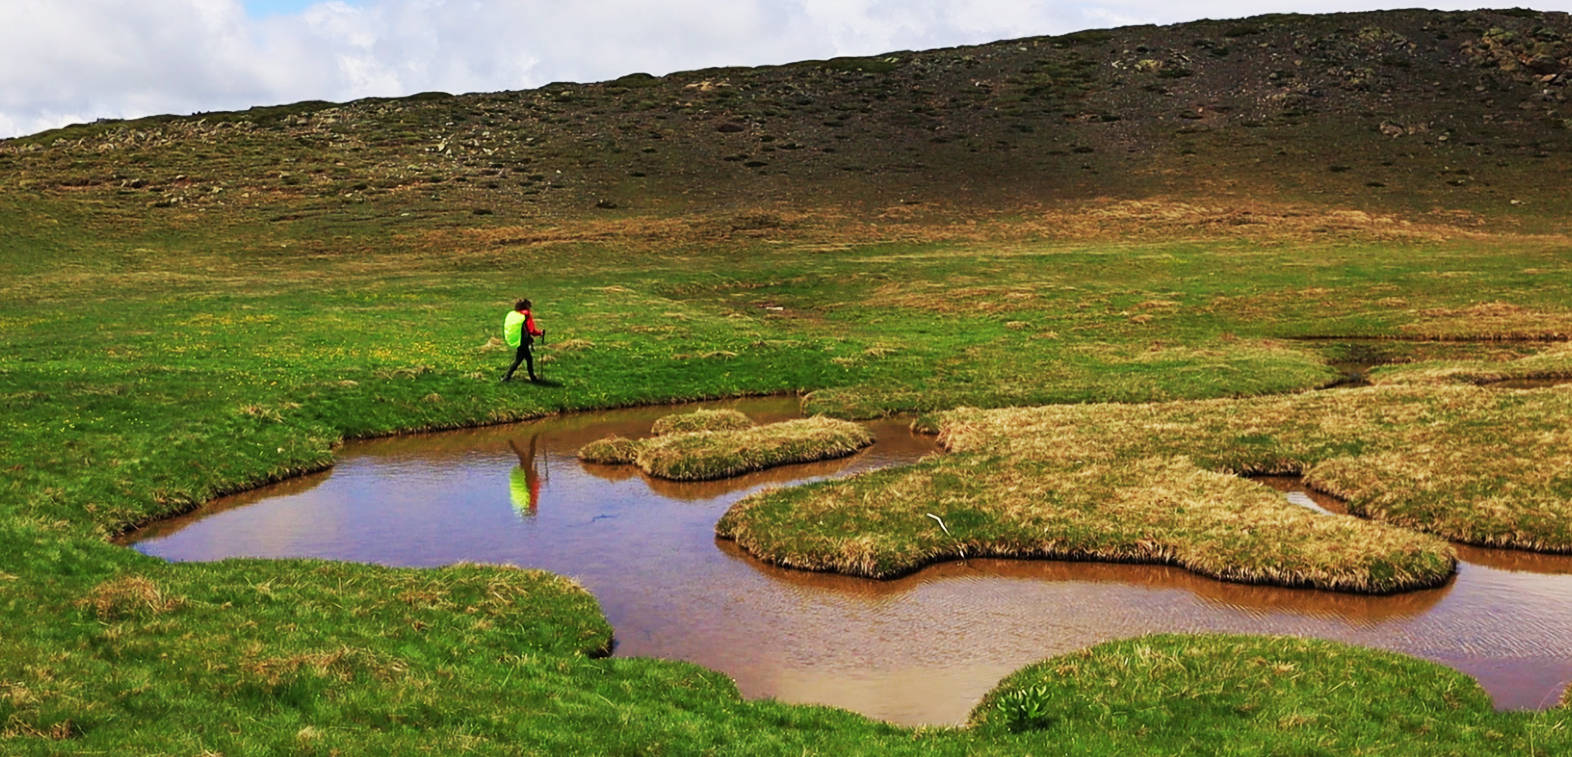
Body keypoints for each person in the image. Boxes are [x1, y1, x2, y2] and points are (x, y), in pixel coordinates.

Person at [501, 298, 545, 382]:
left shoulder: (516, 314)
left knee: (526, 358)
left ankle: (532, 377)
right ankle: (507, 377)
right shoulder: (526, 315)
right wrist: (540, 333)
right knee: (520, 360)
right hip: (523, 341)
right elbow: (531, 330)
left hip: (518, 339)